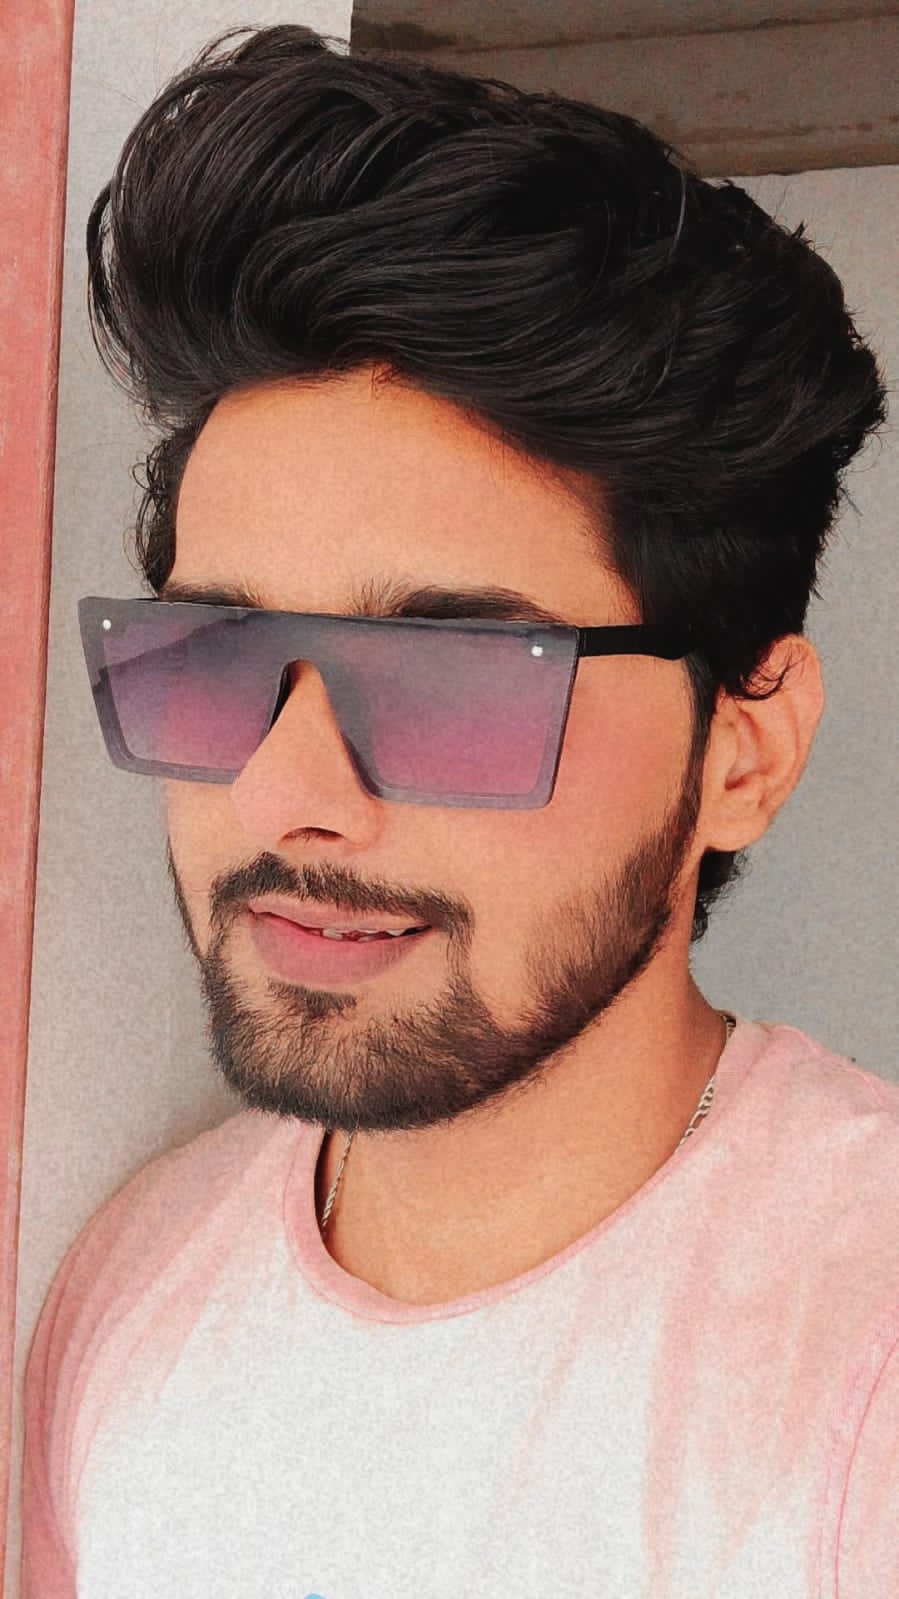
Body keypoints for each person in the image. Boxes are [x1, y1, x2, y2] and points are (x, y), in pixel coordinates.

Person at [21, 23, 895, 1599]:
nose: (289, 798)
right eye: (216, 657)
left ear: (743, 754)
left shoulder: (857, 1363)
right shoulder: (129, 1294)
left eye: (449, 680)